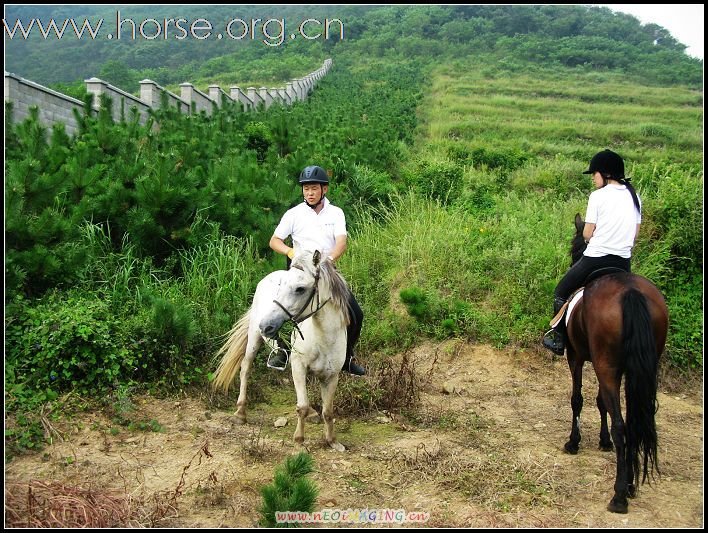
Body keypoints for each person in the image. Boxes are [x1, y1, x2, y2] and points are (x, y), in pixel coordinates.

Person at [267, 165, 366, 376]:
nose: (309, 193)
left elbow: (341, 242)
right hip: (299, 272)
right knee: (277, 309)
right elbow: (274, 241)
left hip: (327, 272)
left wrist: (328, 261)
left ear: (324, 189)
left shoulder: (336, 213)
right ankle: (281, 350)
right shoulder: (293, 214)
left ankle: (347, 357)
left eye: (313, 189)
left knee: (356, 313)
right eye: (306, 189)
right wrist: (291, 252)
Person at [543, 149, 642, 355]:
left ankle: (558, 338)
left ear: (605, 174)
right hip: (623, 263)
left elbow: (587, 233)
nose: (593, 179)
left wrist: (591, 237)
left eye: (594, 174)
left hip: (595, 259)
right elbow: (634, 235)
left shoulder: (598, 196)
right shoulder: (635, 197)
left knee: (560, 291)